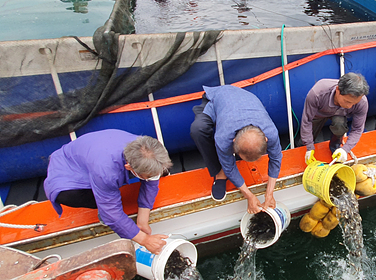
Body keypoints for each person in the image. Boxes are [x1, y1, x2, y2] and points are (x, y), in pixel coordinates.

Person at [43, 130, 173, 255]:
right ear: (128, 167)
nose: (153, 178)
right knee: (72, 196)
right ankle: (96, 201)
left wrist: (143, 219)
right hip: (67, 168)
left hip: (96, 153)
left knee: (149, 174)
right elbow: (112, 213)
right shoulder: (105, 172)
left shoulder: (148, 148)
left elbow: (151, 180)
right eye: (149, 176)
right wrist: (144, 240)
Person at [190, 85, 282, 212]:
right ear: (233, 141)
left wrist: (270, 193)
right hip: (218, 98)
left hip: (245, 99)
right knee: (197, 129)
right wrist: (248, 195)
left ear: (266, 139)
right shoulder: (223, 137)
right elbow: (229, 166)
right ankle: (219, 174)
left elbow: (276, 158)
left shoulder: (271, 132)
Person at [299, 73, 369, 164]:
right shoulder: (317, 93)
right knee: (306, 138)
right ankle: (302, 148)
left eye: (354, 104)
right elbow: (307, 121)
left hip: (340, 115)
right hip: (318, 114)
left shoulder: (362, 102)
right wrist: (308, 146)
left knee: (339, 124)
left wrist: (346, 149)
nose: (349, 106)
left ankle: (336, 146)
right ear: (337, 90)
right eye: (347, 101)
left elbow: (357, 129)